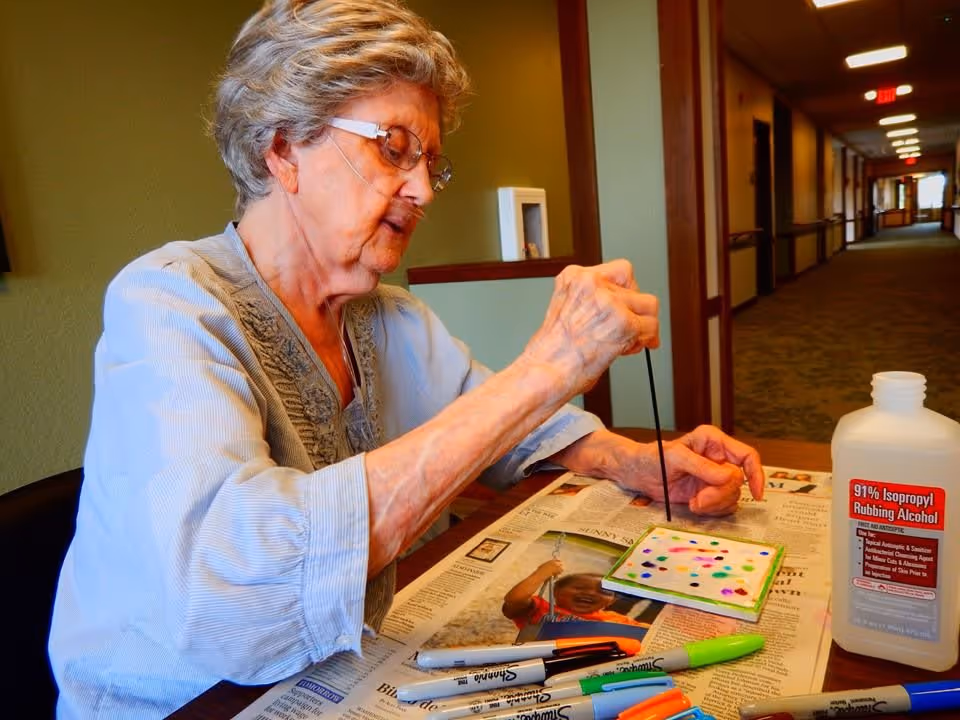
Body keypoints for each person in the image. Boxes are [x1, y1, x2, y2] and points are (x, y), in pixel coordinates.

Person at [48, 1, 764, 717]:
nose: (422, 189)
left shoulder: (387, 315)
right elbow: (239, 592)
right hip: (183, 703)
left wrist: (633, 462)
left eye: (429, 162)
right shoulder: (168, 301)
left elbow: (504, 425)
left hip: (336, 672)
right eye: (393, 147)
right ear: (284, 149)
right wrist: (550, 366)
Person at [503, 560, 648, 629]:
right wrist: (542, 573)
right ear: (556, 592)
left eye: (603, 591)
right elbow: (515, 599)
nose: (590, 593)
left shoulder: (617, 619)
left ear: (611, 601)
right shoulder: (540, 609)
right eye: (579, 588)